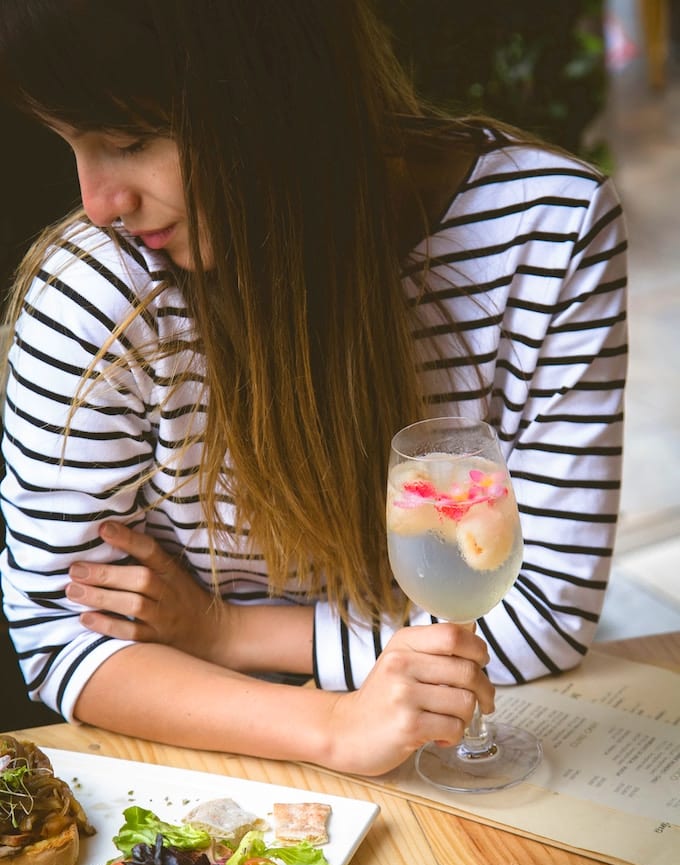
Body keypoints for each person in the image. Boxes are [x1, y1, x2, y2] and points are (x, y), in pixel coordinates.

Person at [0, 0, 627, 776]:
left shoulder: (548, 228)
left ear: (275, 87)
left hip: (461, 728)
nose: (98, 203)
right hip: (212, 762)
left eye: (130, 141)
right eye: (70, 144)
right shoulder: (99, 290)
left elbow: (544, 613)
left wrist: (227, 631)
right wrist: (333, 726)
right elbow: (60, 635)